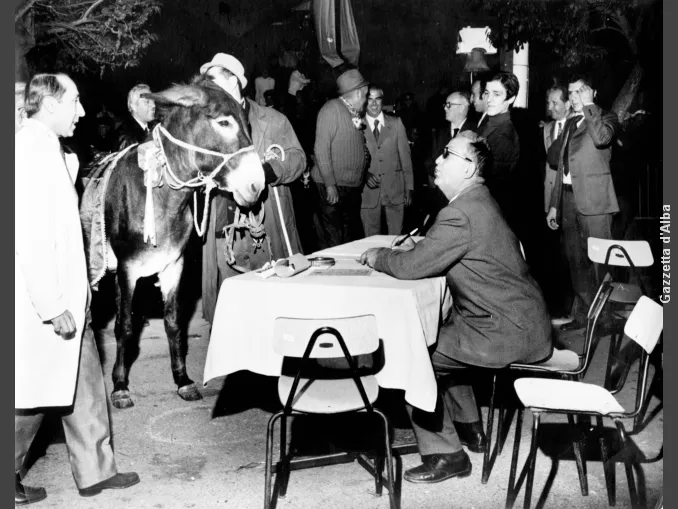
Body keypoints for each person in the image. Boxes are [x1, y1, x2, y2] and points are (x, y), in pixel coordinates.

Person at [360, 131, 552, 484]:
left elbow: (409, 268)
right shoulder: (478, 200)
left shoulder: (459, 213)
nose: (437, 160)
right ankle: (469, 428)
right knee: (441, 335)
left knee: (412, 354)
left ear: (467, 168)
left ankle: (445, 454)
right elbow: (430, 256)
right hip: (518, 322)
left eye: (446, 154)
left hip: (504, 332)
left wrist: (377, 256)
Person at [15, 73, 139, 505]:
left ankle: (95, 471)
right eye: (75, 102)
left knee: (84, 380)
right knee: (32, 394)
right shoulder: (29, 152)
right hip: (44, 302)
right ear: (49, 105)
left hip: (70, 293)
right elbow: (29, 238)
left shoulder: (51, 150)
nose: (82, 112)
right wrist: (51, 306)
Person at [197, 53, 307, 324]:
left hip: (265, 231)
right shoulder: (204, 126)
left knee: (274, 307)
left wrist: (267, 171)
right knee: (230, 312)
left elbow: (298, 158)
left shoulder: (273, 120)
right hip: (226, 234)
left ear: (233, 81)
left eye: (212, 82)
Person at [546, 73, 620, 331]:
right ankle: (585, 316)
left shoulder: (606, 117)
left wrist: (589, 107)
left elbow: (601, 138)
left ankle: (606, 318)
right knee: (575, 262)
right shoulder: (569, 123)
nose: (574, 97)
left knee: (600, 263)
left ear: (592, 92)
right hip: (567, 199)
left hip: (595, 202)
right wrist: (555, 204)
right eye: (571, 93)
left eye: (579, 92)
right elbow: (559, 164)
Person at [310, 68, 370, 249]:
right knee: (333, 240)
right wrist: (330, 184)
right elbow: (320, 149)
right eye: (366, 96)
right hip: (333, 186)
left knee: (348, 238)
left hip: (349, 188)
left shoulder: (351, 112)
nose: (366, 101)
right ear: (359, 93)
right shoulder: (331, 109)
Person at [360, 84, 414, 236]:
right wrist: (364, 175)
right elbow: (356, 160)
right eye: (370, 99)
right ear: (364, 101)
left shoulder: (396, 123)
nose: (374, 104)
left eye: (377, 99)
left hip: (395, 190)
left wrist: (409, 187)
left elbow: (405, 157)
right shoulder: (358, 126)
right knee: (370, 241)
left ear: (382, 101)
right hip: (369, 194)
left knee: (396, 240)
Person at [542, 83, 575, 323]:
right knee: (554, 255)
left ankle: (571, 307)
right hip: (550, 200)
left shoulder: (576, 126)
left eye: (555, 102)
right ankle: (557, 306)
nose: (550, 107)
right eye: (548, 102)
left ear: (567, 103)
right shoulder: (545, 129)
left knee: (572, 255)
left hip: (571, 198)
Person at [476, 71, 521, 235]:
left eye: (497, 94)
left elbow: (492, 183)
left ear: (510, 99)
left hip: (491, 214)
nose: (489, 99)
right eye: (487, 93)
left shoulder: (504, 134)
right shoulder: (488, 124)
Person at [423, 90, 475, 217]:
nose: (445, 108)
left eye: (449, 105)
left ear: (462, 108)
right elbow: (429, 162)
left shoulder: (475, 132)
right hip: (441, 197)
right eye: (445, 105)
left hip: (465, 199)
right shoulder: (439, 132)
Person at [116, 83, 156, 149]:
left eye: (153, 101)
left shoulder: (155, 128)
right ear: (134, 106)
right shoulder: (126, 137)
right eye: (147, 102)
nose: (153, 105)